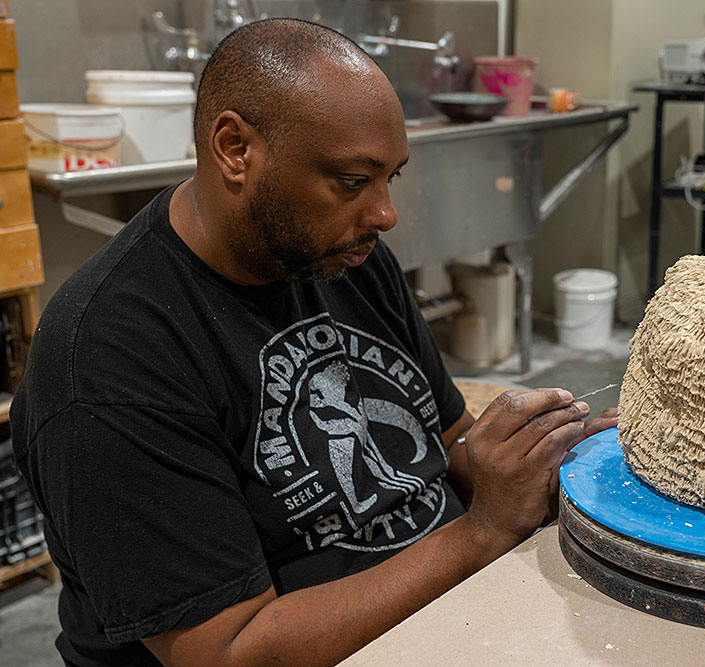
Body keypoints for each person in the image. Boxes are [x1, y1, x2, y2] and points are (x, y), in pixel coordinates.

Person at [11, 18, 617, 667]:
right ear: (235, 149)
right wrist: (482, 530)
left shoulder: (342, 255)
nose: (385, 213)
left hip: (446, 607)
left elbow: (449, 440)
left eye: (392, 178)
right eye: (353, 180)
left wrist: (532, 457)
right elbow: (226, 651)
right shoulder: (110, 358)